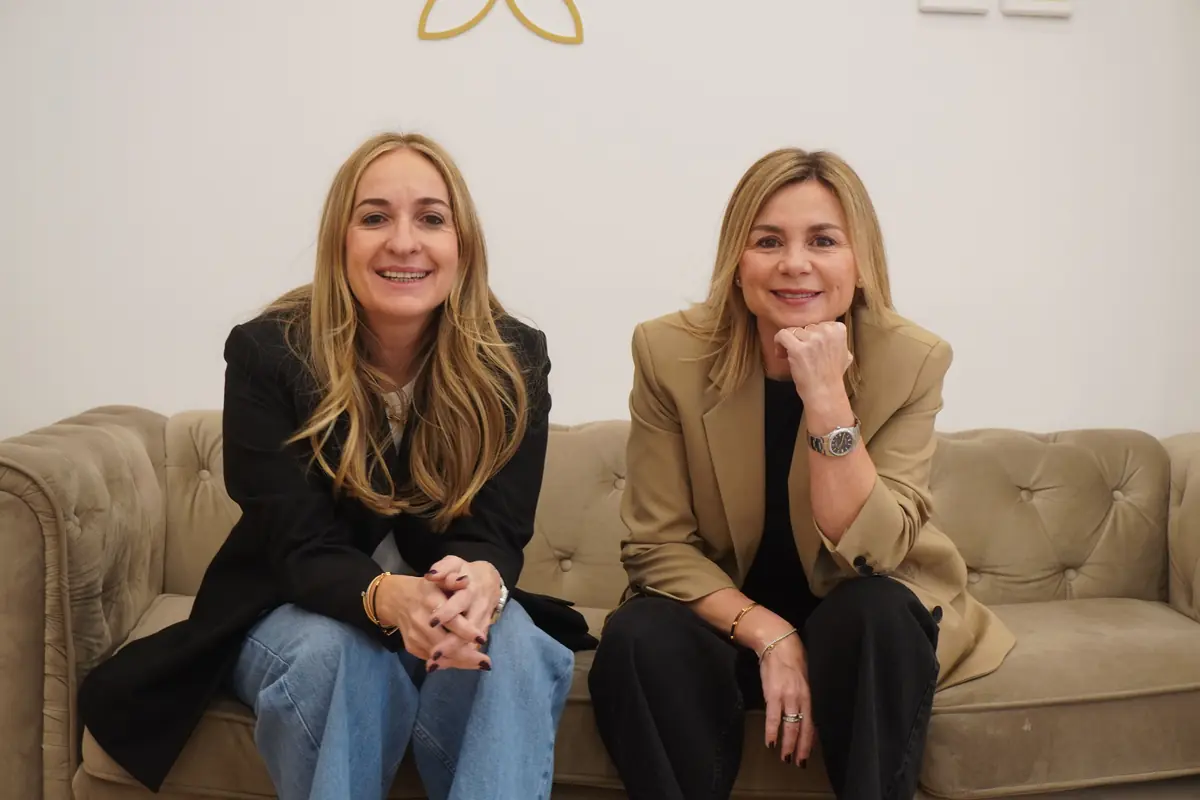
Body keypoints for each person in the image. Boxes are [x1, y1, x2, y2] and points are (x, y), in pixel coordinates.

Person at [78, 132, 593, 800]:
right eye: (374, 217)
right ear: (338, 241)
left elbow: (499, 530)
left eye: (431, 219)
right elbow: (297, 544)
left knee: (516, 646)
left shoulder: (513, 357)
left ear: (462, 244)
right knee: (340, 654)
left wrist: (481, 583)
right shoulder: (269, 352)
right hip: (297, 605)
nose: (403, 242)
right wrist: (387, 598)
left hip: (442, 609)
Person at [588, 148, 1017, 800]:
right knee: (638, 634)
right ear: (737, 263)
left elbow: (874, 551)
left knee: (877, 615)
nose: (794, 263)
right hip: (725, 616)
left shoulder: (912, 359)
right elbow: (656, 546)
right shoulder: (668, 352)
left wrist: (826, 397)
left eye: (823, 240)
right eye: (768, 241)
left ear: (860, 262)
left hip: (857, 617)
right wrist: (771, 635)